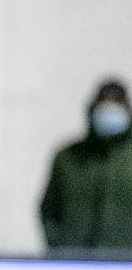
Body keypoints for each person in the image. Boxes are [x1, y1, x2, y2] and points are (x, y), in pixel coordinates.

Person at [41, 79, 132, 249]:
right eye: (104, 107)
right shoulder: (68, 157)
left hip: (125, 264)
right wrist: (59, 247)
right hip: (76, 263)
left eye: (116, 105)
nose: (109, 113)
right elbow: (49, 210)